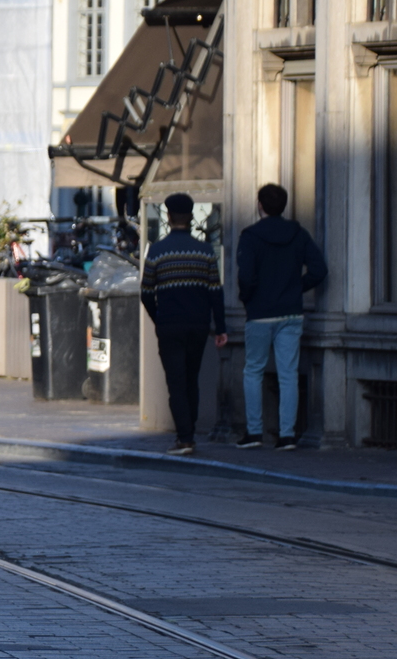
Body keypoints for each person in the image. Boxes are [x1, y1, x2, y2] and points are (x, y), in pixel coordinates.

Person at [235, 183, 328, 449]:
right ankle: (287, 434)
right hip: (291, 312)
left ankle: (254, 432)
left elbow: (246, 276)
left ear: (260, 205)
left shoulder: (250, 236)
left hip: (260, 314)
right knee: (288, 374)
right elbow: (319, 269)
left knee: (253, 371)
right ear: (283, 206)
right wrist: (296, 287)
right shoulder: (298, 233)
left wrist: (248, 298)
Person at [140, 193, 228, 455]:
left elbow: (146, 293)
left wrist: (159, 318)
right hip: (198, 325)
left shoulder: (157, 251)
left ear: (168, 217)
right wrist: (220, 327)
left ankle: (185, 438)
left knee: (176, 382)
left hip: (170, 326)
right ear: (190, 217)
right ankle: (190, 431)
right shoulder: (205, 251)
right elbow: (215, 292)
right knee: (191, 379)